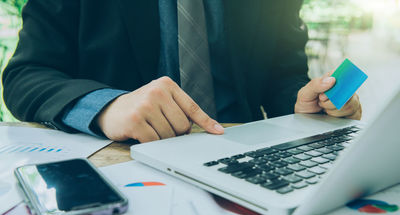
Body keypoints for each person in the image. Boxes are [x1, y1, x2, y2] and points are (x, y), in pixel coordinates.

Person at [2, 0, 361, 143]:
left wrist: (306, 103)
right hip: (125, 159)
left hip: (247, 154)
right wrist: (106, 107)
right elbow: (25, 75)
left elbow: (282, 76)